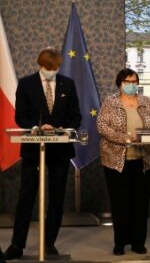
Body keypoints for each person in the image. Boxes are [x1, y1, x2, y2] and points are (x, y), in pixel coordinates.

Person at [4, 47, 82, 260]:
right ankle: (17, 245)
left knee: (56, 197)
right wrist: (37, 127)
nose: (52, 71)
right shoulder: (26, 83)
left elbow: (76, 116)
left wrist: (63, 129)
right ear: (41, 65)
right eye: (49, 68)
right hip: (33, 148)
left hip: (60, 148)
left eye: (56, 68)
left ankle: (48, 243)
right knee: (26, 197)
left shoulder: (68, 83)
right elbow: (21, 117)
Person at [97, 68, 150, 256]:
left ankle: (138, 242)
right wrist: (124, 138)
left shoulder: (147, 102)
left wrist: (144, 136)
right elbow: (101, 126)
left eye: (134, 82)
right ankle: (120, 242)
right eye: (127, 82)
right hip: (116, 161)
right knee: (120, 203)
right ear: (120, 84)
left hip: (142, 160)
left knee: (140, 203)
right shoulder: (110, 102)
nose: (131, 85)